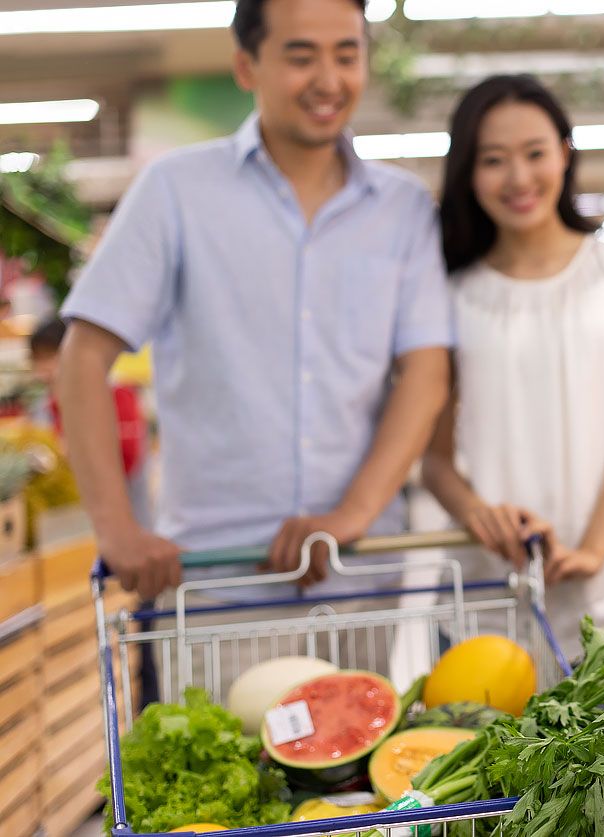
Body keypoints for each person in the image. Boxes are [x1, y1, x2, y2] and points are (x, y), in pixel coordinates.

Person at [57, 0, 452, 606]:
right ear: (246, 67)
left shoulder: (402, 209)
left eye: (347, 55)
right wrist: (115, 529)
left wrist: (350, 514)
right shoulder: (175, 192)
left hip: (359, 576)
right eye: (301, 56)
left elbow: (425, 374)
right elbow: (83, 358)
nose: (328, 80)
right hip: (214, 581)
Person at [421, 74, 604, 659]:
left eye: (535, 153)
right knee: (480, 751)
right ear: (468, 173)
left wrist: (593, 550)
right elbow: (433, 460)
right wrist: (480, 514)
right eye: (493, 160)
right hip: (483, 603)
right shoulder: (449, 293)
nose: (519, 178)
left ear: (565, 152)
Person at [29, 317, 151, 528]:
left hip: (128, 522)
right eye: (37, 359)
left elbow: (128, 458)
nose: (44, 368)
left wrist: (75, 452)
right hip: (75, 526)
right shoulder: (44, 406)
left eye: (50, 357)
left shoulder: (116, 393)